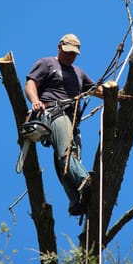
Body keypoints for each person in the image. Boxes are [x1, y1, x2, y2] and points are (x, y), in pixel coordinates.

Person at [25, 33, 103, 216]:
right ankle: (86, 181)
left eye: (73, 54)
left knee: (67, 160)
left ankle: (77, 200)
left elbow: (95, 90)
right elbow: (30, 83)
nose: (70, 56)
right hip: (53, 113)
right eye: (67, 52)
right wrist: (35, 101)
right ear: (59, 46)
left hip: (72, 122)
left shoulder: (79, 73)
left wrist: (117, 94)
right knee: (65, 154)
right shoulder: (47, 63)